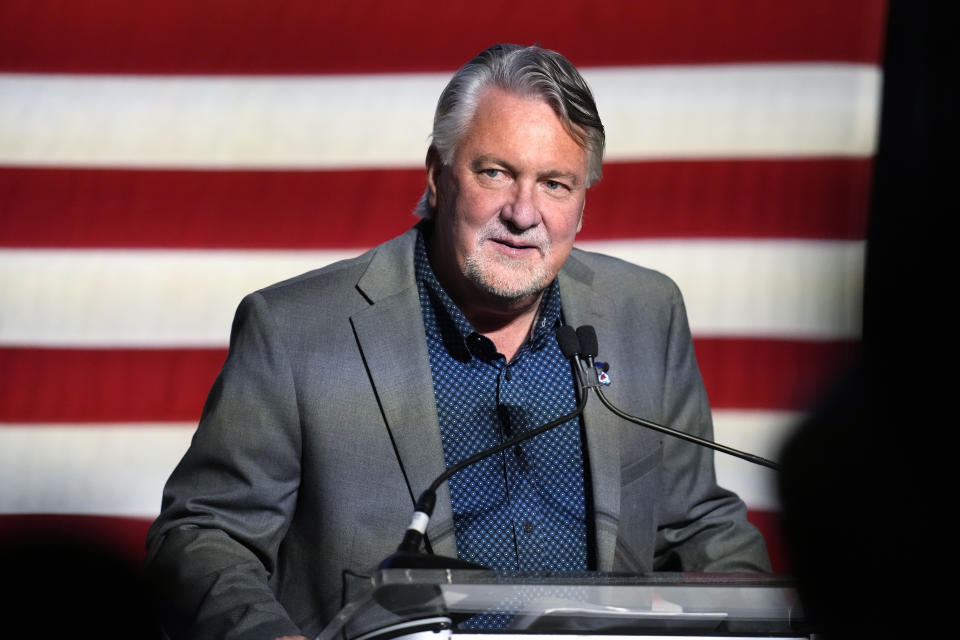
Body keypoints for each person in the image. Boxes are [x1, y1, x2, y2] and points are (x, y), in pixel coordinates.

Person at [146, 43, 770, 640]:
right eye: (496, 173)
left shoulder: (644, 315)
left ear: (583, 203)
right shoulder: (297, 332)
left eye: (556, 184)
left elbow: (697, 524)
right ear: (439, 176)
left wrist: (763, 628)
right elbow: (204, 534)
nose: (524, 214)